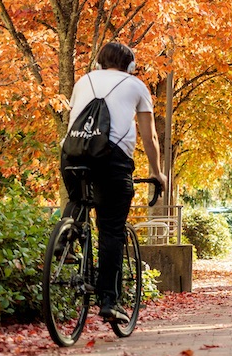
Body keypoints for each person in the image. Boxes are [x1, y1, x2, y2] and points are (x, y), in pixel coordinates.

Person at [61, 42, 166, 326]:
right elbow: (150, 137)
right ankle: (109, 300)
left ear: (98, 63)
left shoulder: (84, 81)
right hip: (112, 161)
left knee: (78, 198)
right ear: (131, 66)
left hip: (71, 155)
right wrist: (157, 172)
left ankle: (65, 237)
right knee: (111, 230)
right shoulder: (137, 86)